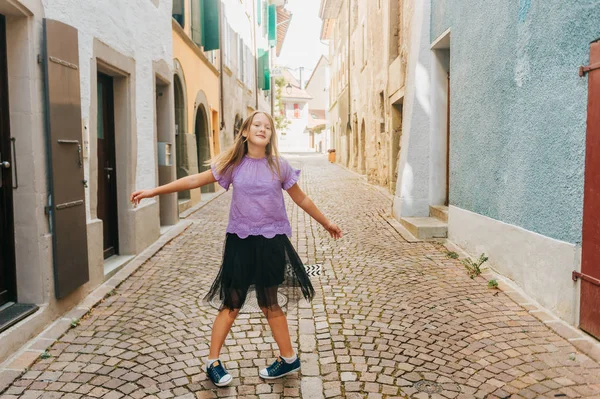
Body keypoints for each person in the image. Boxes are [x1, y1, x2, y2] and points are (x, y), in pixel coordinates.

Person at [131, 111, 342, 387]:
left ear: (270, 136)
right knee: (232, 302)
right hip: (240, 242)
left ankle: (289, 358)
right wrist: (153, 191)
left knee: (270, 303)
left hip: (272, 242)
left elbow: (302, 198)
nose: (262, 129)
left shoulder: (280, 166)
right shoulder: (233, 165)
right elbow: (194, 180)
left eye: (267, 126)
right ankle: (213, 362)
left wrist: (326, 223)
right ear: (245, 132)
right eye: (257, 124)